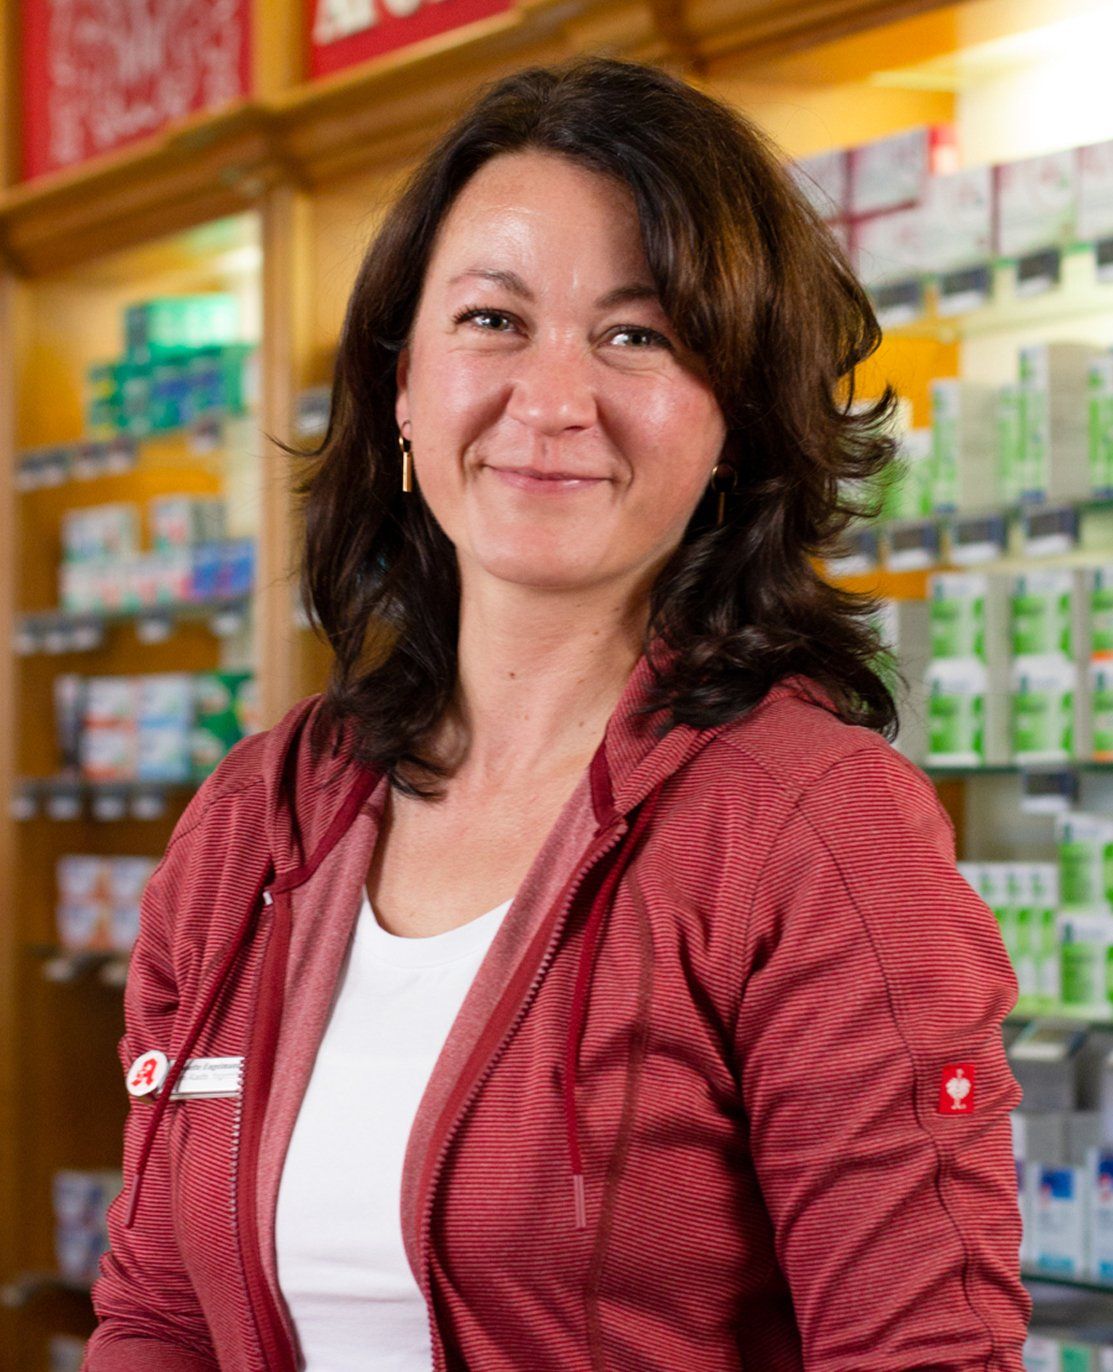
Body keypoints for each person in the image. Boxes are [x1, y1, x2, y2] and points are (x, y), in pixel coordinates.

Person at [86, 56, 1030, 1372]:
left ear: (731, 425)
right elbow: (156, 1319)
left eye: (637, 335)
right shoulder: (252, 820)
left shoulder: (808, 835)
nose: (549, 399)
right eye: (491, 319)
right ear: (400, 386)